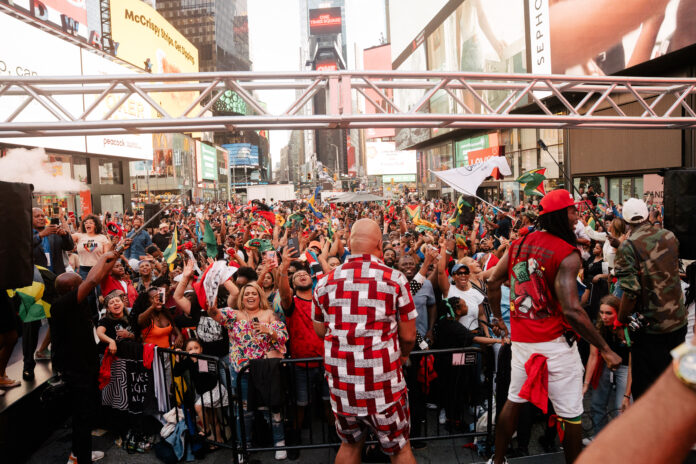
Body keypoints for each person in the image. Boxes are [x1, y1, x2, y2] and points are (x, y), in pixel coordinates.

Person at [487, 189, 622, 464]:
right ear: (560, 215)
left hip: (522, 341)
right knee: (571, 413)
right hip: (556, 344)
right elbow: (572, 310)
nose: (577, 217)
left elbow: (491, 282)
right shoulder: (566, 253)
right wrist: (605, 349)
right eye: (572, 211)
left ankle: (497, 460)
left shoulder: (518, 244)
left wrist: (498, 319)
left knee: (514, 400)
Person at [312, 218, 418, 464]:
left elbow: (320, 330)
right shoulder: (395, 279)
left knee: (349, 445)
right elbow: (409, 335)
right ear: (380, 245)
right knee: (400, 449)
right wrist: (403, 356)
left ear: (349, 245)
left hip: (343, 385)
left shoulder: (325, 282)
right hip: (383, 385)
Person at [52, 248, 128, 464]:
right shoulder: (63, 304)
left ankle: (78, 453)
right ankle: (81, 459)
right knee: (82, 417)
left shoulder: (72, 303)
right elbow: (93, 279)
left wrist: (116, 253)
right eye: (79, 283)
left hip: (85, 367)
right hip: (77, 371)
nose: (84, 284)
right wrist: (103, 256)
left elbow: (98, 276)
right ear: (72, 289)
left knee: (85, 415)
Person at [207, 282, 288, 460]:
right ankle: (243, 447)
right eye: (246, 294)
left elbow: (283, 337)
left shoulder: (269, 314)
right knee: (244, 412)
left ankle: (279, 442)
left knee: (272, 408)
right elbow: (216, 315)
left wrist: (269, 330)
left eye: (254, 293)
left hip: (266, 370)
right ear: (242, 298)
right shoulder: (234, 314)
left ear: (260, 296)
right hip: (242, 372)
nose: (250, 296)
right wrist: (212, 309)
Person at [615, 198, 687, 400]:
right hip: (678, 323)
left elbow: (631, 292)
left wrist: (621, 319)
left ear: (626, 221)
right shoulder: (669, 236)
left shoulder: (628, 246)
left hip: (652, 330)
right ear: (647, 215)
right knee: (675, 382)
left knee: (648, 391)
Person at [278, 247, 332, 458]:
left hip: (326, 361)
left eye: (305, 273)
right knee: (300, 404)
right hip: (302, 363)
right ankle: (295, 439)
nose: (301, 275)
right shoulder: (291, 302)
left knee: (329, 402)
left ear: (312, 279)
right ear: (293, 284)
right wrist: (284, 268)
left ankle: (336, 437)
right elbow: (283, 292)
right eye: (297, 275)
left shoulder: (322, 301)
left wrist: (320, 259)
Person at [25, 208, 74, 380]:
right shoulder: (26, 235)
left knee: (58, 323)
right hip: (34, 285)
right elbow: (23, 249)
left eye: (42, 216)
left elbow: (70, 246)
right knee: (32, 327)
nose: (40, 218)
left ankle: (57, 364)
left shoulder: (54, 235)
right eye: (37, 216)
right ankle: (28, 366)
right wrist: (41, 235)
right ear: (29, 218)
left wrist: (64, 235)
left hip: (55, 284)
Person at [581, 295, 631, 442]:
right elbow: (593, 356)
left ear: (618, 313)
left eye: (608, 313)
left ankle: (620, 442)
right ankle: (599, 439)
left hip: (625, 368)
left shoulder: (627, 329)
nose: (604, 316)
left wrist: (627, 395)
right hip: (605, 366)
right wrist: (586, 384)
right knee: (597, 404)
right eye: (602, 312)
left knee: (621, 408)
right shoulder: (598, 328)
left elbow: (633, 363)